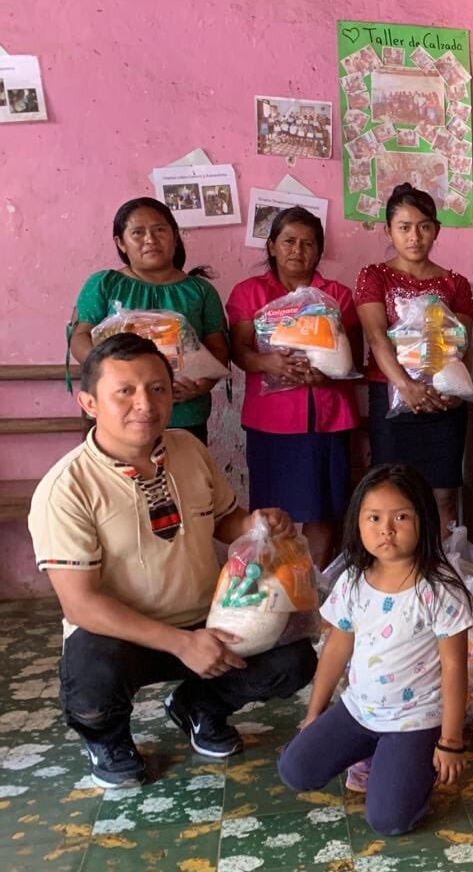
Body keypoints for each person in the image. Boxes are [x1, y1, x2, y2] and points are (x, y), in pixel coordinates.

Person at [28, 334, 316, 788]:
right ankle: (107, 739)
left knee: (295, 658)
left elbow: (224, 520)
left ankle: (199, 705)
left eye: (157, 388)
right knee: (91, 677)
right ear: (88, 402)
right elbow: (80, 606)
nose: (145, 403)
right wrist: (181, 644)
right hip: (123, 634)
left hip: (207, 620)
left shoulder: (187, 449)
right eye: (124, 391)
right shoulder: (66, 488)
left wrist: (255, 525)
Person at [278, 465, 472, 835]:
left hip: (414, 720)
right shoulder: (353, 579)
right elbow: (336, 649)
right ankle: (373, 754)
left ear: (424, 521)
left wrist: (450, 742)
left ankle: (411, 765)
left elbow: (454, 669)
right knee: (295, 770)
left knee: (387, 821)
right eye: (374, 517)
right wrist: (313, 714)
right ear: (358, 523)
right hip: (359, 710)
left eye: (401, 516)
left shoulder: (440, 588)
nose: (387, 529)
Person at [226, 207, 361, 570]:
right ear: (271, 246)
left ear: (319, 251)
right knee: (271, 510)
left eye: (308, 243)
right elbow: (238, 349)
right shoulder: (249, 293)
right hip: (271, 420)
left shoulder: (337, 295)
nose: (297, 250)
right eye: (288, 241)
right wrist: (267, 363)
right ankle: (275, 586)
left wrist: (327, 374)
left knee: (324, 509)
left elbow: (351, 356)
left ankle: (313, 586)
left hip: (327, 417)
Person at [355, 183, 473, 530]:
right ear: (388, 231)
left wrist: (452, 395)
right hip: (392, 398)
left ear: (436, 230)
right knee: (391, 497)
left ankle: (442, 573)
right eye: (404, 227)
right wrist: (406, 387)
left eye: (424, 227)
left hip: (444, 402)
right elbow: (377, 338)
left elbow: (461, 345)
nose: (414, 237)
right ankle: (396, 575)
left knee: (444, 497)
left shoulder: (456, 284)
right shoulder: (373, 276)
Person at [68, 197, 229, 444]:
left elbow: (218, 349)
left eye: (159, 230)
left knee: (183, 479)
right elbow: (80, 336)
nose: (150, 239)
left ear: (175, 237)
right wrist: (111, 374)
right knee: (115, 481)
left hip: (183, 414)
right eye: (137, 232)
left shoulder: (200, 291)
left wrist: (201, 385)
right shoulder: (104, 285)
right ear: (120, 243)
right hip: (117, 412)